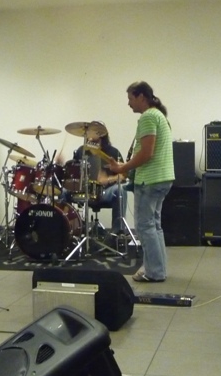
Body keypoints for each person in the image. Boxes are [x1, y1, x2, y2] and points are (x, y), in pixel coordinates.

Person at [108, 81, 174, 282]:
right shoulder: (159, 115)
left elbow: (146, 153)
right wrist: (125, 166)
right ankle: (159, 270)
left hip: (150, 181)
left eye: (130, 98)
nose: (128, 103)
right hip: (162, 178)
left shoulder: (148, 117)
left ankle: (154, 272)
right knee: (155, 226)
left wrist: (122, 168)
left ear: (141, 97)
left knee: (145, 227)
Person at [71, 124, 128, 234]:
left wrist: (108, 179)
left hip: (104, 192)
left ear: (100, 133)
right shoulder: (81, 151)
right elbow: (73, 172)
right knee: (63, 191)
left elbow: (123, 175)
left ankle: (117, 233)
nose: (88, 133)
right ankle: (68, 230)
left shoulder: (113, 152)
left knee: (120, 190)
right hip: (83, 191)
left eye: (91, 130)